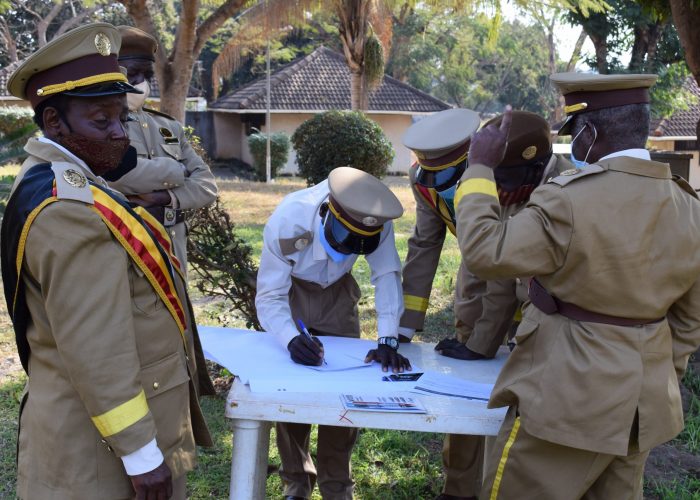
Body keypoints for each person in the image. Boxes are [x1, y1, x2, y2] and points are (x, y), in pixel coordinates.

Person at [456, 73, 700, 499]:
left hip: (564, 405)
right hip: (642, 408)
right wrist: (656, 369)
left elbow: (484, 251)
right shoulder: (690, 207)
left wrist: (478, 167)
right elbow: (690, 318)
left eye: (574, 131)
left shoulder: (567, 198)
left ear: (588, 132)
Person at [1, 23, 213, 499]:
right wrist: (142, 456)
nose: (121, 134)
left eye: (120, 117)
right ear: (54, 122)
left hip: (106, 429)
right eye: (102, 120)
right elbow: (96, 347)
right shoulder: (68, 208)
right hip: (105, 451)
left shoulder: (66, 179)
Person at [400, 109, 569, 500]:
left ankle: (506, 483)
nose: (450, 186)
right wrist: (406, 326)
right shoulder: (424, 181)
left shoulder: (525, 177)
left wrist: (483, 343)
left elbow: (507, 268)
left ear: (479, 158)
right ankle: (459, 488)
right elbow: (425, 245)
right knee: (465, 385)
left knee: (519, 389)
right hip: (479, 270)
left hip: (537, 287)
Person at [255, 166, 411, 500]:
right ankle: (296, 484)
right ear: (327, 211)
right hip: (292, 293)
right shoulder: (290, 218)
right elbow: (269, 296)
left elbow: (387, 274)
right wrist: (290, 338)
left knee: (346, 389)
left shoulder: (375, 219)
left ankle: (337, 486)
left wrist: (387, 339)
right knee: (291, 391)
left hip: (338, 295)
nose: (347, 249)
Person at [107, 25, 218, 273]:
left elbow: (207, 185)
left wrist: (165, 197)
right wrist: (177, 172)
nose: (142, 84)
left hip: (174, 240)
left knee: (177, 309)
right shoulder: (100, 127)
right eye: (133, 74)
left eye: (147, 75)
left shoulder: (168, 126)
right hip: (127, 239)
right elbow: (116, 176)